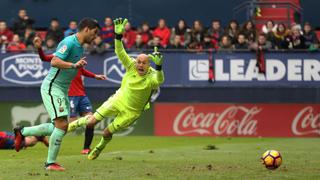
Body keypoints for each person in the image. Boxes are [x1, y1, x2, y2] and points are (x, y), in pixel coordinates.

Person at [67, 18, 164, 160]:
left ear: (149, 65)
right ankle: (69, 126)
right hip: (118, 99)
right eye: (139, 62)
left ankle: (99, 147)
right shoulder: (131, 65)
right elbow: (120, 51)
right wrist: (118, 36)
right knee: (92, 121)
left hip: (131, 112)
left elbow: (159, 81)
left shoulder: (153, 75)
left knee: (107, 132)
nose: (140, 65)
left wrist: (160, 67)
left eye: (144, 63)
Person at [14, 17, 100, 171]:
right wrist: (74, 64)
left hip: (62, 90)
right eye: (94, 33)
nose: (95, 37)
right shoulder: (69, 42)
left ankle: (22, 132)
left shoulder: (79, 47)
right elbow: (54, 61)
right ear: (86, 29)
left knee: (60, 127)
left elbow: (50, 58)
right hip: (52, 87)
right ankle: (50, 163)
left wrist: (85, 70)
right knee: (62, 125)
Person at [33, 36, 106, 154]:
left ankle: (86, 148)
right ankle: (41, 135)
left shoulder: (77, 60)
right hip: (70, 95)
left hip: (82, 95)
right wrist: (39, 48)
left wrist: (95, 76)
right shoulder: (61, 58)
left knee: (91, 120)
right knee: (66, 126)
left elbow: (82, 71)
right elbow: (45, 58)